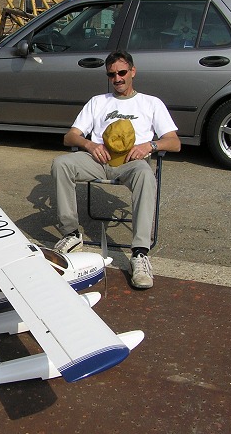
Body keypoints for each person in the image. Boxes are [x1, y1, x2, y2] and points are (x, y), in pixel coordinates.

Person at [51, 50, 181, 289]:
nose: (117, 78)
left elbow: (174, 142)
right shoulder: (98, 102)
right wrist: (89, 144)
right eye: (112, 75)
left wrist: (149, 145)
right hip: (99, 161)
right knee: (62, 163)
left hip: (132, 163)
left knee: (145, 174)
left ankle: (140, 253)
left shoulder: (150, 103)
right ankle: (71, 234)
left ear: (133, 71)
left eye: (122, 72)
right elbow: (70, 137)